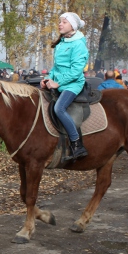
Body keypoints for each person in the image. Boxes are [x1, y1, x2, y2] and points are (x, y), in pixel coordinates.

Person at [41, 12, 90, 161]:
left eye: (64, 22)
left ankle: (77, 144)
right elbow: (56, 67)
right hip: (60, 82)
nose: (60, 24)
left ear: (72, 26)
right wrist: (48, 78)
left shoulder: (79, 44)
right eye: (60, 21)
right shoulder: (61, 43)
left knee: (59, 108)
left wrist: (58, 83)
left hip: (73, 84)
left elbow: (76, 71)